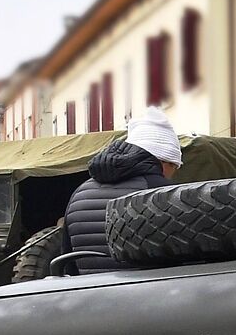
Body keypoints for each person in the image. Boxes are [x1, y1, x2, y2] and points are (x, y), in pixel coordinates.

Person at [62, 107, 182, 273]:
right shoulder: (164, 193)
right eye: (175, 166)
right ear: (164, 161)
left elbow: (67, 262)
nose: (173, 173)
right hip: (147, 289)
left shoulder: (79, 193)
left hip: (89, 289)